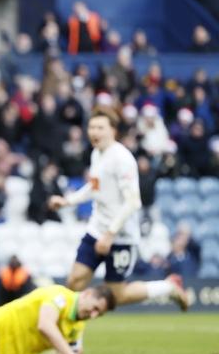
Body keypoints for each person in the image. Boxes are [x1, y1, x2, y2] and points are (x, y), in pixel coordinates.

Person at [49, 107, 189, 310]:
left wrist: (110, 234)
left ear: (113, 130)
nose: (94, 132)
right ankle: (71, 337)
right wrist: (68, 201)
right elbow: (95, 186)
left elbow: (133, 202)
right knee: (74, 282)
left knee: (117, 295)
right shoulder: (97, 154)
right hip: (97, 229)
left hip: (121, 236)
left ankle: (168, 287)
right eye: (92, 127)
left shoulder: (123, 159)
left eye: (100, 127)